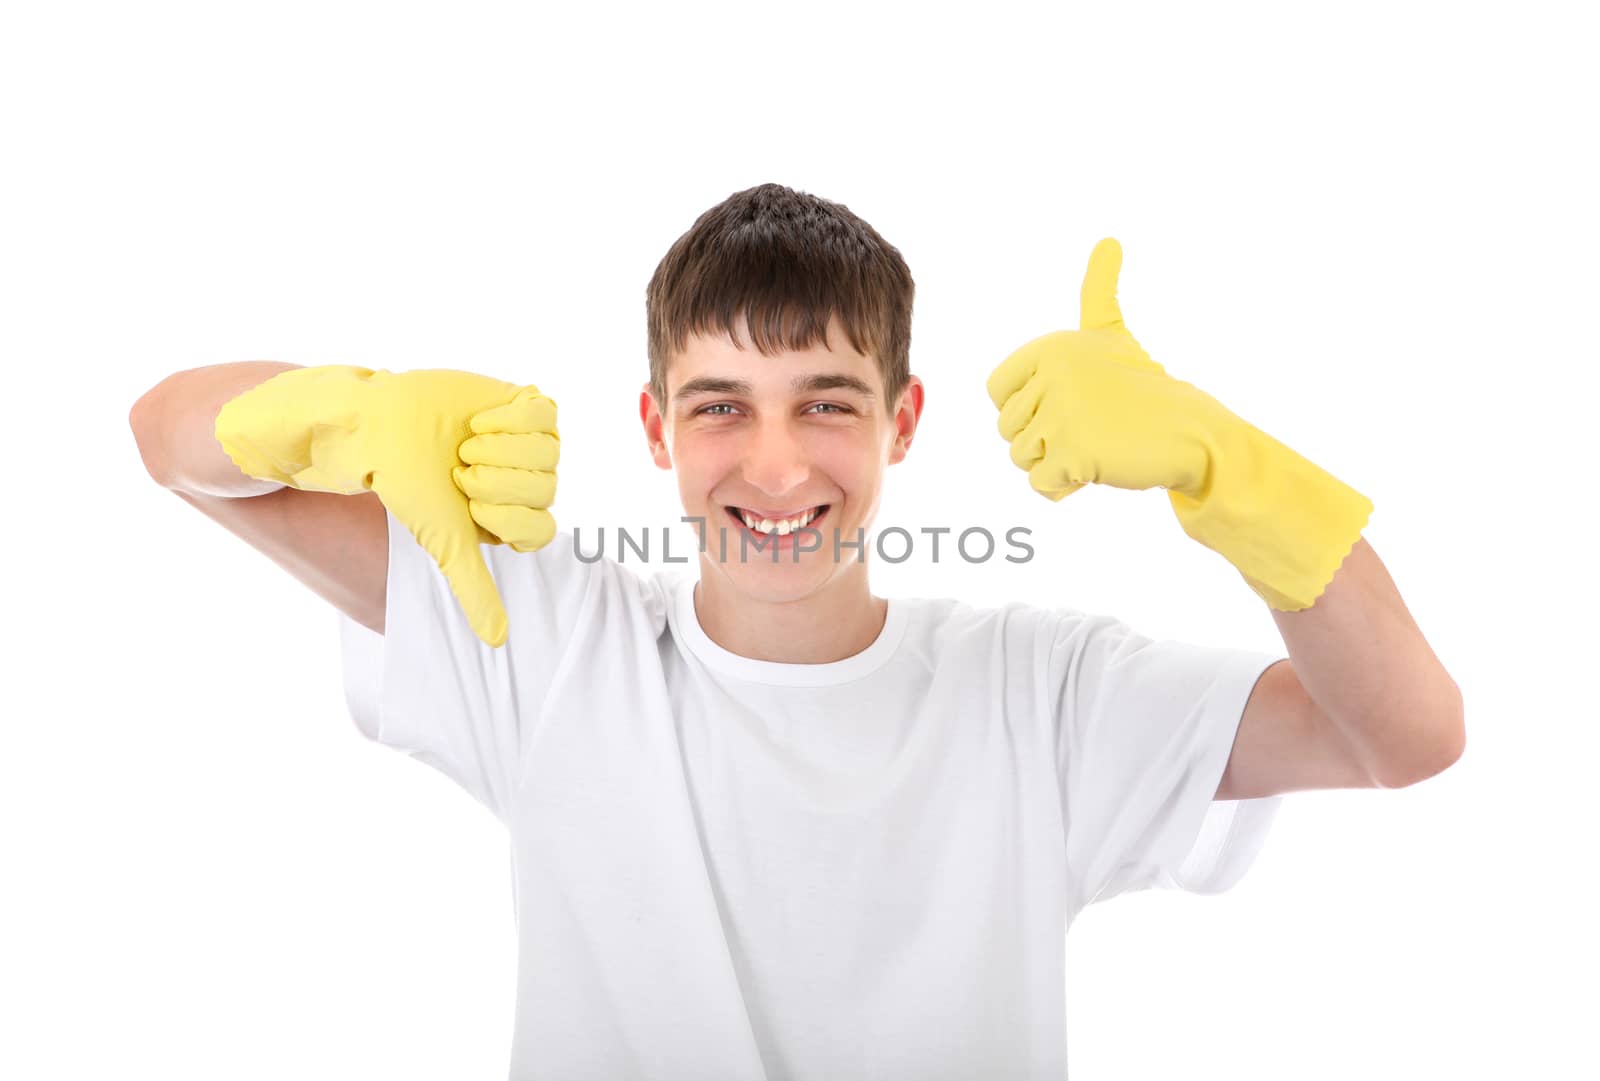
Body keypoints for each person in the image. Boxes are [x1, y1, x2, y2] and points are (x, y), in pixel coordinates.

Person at [129, 182, 1465, 1080]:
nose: (774, 466)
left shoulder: (1039, 692)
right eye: (720, 405)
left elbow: (1404, 731)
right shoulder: (540, 640)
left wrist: (1228, 471)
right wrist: (349, 410)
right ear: (653, 427)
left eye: (826, 402)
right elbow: (169, 440)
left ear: (904, 418)